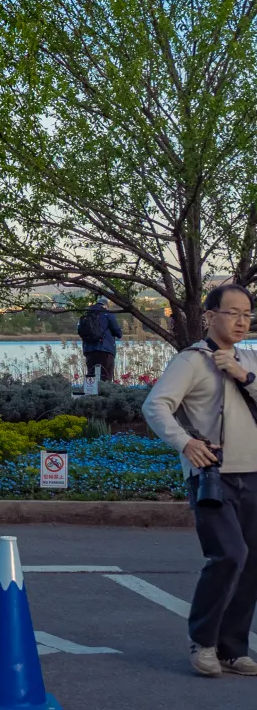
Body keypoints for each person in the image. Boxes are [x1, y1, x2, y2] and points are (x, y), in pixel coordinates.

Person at [143, 283, 257, 677]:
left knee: (252, 562)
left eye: (247, 314)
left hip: (254, 473)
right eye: (232, 312)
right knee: (229, 555)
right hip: (212, 476)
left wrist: (243, 375)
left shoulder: (249, 359)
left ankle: (232, 648)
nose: (241, 321)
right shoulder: (191, 361)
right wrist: (185, 442)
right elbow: (155, 405)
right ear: (210, 316)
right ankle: (203, 641)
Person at [79, 297, 124, 383]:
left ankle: (90, 393)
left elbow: (80, 331)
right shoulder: (107, 314)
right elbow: (118, 333)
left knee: (91, 375)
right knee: (106, 375)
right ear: (106, 306)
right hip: (105, 349)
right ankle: (105, 394)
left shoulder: (86, 314)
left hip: (88, 350)